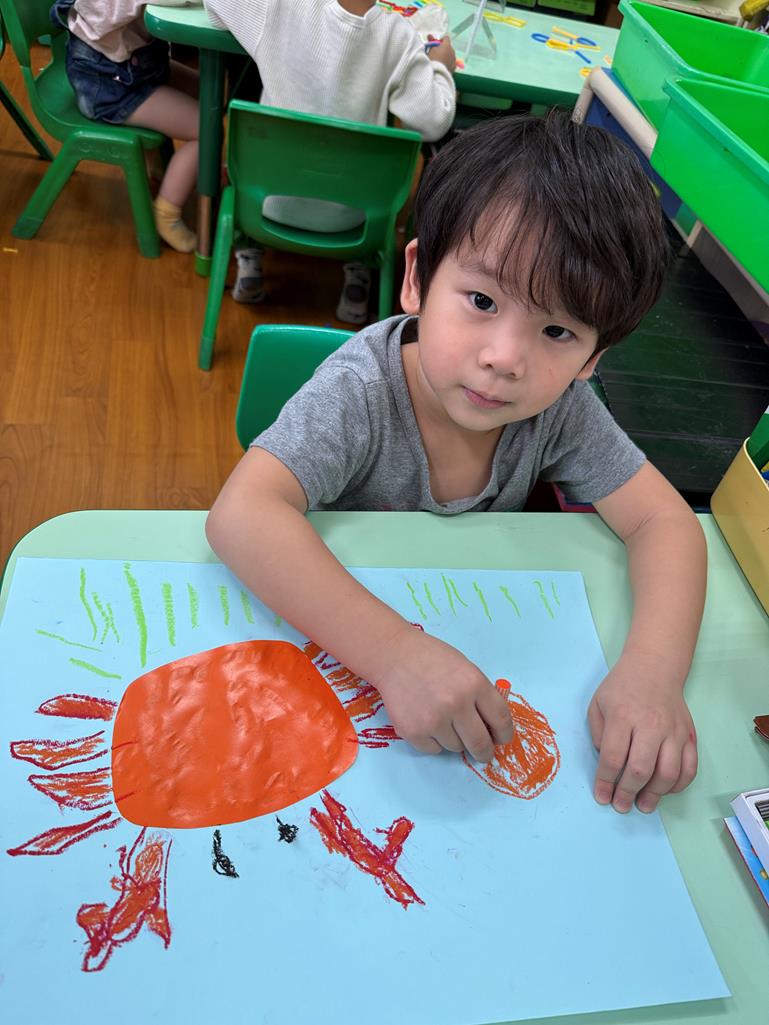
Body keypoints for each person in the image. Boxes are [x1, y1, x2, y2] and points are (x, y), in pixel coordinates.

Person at [206, 112, 706, 816]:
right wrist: (393, 654)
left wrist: (653, 674)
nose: (504, 357)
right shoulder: (361, 390)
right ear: (416, 278)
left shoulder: (559, 410)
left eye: (556, 330)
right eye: (481, 301)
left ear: (592, 359)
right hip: (336, 665)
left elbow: (665, 521)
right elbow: (241, 514)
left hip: (479, 655)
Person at [203, 0, 456, 322]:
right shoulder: (398, 37)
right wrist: (440, 66)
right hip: (356, 220)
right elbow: (434, 121)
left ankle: (250, 255)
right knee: (369, 172)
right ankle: (358, 272)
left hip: (264, 207)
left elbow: (214, 7)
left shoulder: (275, 6)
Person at [50, 0, 199, 253]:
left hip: (134, 69)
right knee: (204, 128)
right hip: (110, 87)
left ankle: (168, 168)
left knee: (210, 92)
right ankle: (167, 213)